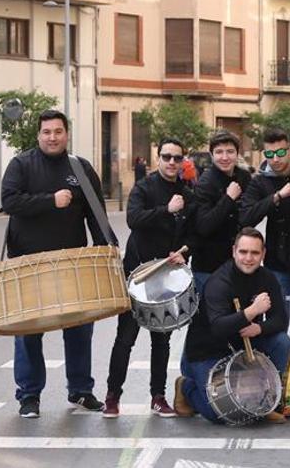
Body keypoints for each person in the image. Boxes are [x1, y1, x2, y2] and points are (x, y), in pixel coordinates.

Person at [0, 109, 109, 418]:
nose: (52, 137)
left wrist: (106, 250)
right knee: (29, 333)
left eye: (58, 131)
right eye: (47, 132)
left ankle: (81, 391)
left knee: (78, 329)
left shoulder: (80, 167)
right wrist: (51, 200)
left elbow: (96, 214)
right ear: (38, 135)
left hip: (72, 262)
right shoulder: (21, 165)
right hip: (28, 264)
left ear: (66, 134)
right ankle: (29, 396)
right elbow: (9, 201)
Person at [103, 138, 195, 418]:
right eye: (166, 156)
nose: (171, 162)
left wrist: (185, 253)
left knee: (161, 340)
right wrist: (166, 210)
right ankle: (112, 396)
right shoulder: (144, 187)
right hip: (137, 274)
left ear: (182, 161)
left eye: (177, 158)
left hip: (166, 279)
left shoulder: (187, 192)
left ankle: (158, 396)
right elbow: (133, 219)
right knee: (125, 339)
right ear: (158, 159)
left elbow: (193, 231)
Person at [175, 227, 290, 424]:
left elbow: (281, 320)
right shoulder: (219, 282)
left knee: (281, 341)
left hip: (244, 345)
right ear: (234, 251)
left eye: (255, 253)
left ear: (263, 254)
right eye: (243, 252)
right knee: (220, 413)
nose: (248, 258)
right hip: (209, 351)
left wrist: (260, 328)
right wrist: (251, 312)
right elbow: (218, 327)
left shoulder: (267, 278)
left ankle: (268, 400)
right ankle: (186, 387)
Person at [239, 128, 290, 320]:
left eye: (281, 152)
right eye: (270, 154)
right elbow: (245, 218)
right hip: (278, 261)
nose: (276, 159)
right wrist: (276, 197)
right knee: (278, 318)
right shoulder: (260, 182)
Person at [192, 130, 252, 296]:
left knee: (236, 316)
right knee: (206, 318)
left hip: (239, 263)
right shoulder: (205, 182)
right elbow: (204, 226)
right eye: (219, 152)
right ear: (212, 155)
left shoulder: (244, 177)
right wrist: (228, 198)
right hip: (208, 266)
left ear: (237, 154)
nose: (225, 157)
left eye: (230, 152)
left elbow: (250, 214)